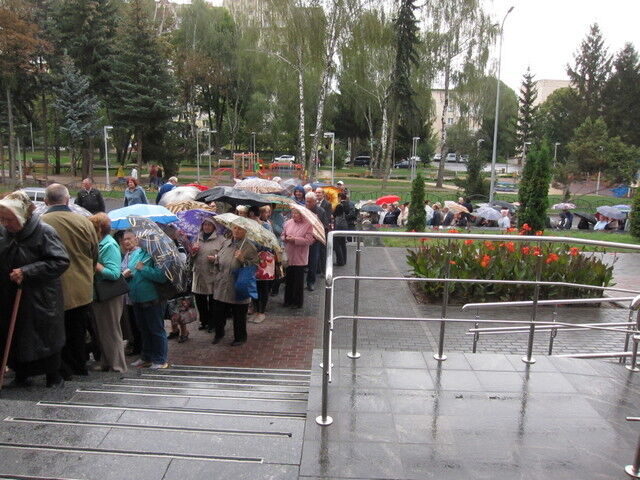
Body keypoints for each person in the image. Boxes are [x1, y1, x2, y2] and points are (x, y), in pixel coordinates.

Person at [0, 191, 69, 388]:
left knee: (44, 336)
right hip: (10, 295)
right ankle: (21, 375)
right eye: (2, 218)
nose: (5, 223)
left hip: (40, 298)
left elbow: (60, 261)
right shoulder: (4, 232)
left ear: (22, 216)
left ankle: (53, 377)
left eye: (9, 219)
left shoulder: (44, 231)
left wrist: (28, 271)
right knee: (16, 337)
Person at [41, 184, 99, 380]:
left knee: (56, 331)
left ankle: (61, 369)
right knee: (78, 330)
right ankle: (79, 365)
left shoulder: (41, 222)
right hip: (82, 286)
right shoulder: (84, 222)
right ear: (67, 200)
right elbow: (94, 253)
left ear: (46, 201)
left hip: (53, 288)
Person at [88, 213, 127, 373]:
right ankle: (107, 362)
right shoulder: (101, 243)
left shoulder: (109, 245)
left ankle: (118, 366)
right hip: (101, 294)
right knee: (103, 330)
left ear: (99, 229)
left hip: (109, 294)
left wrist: (95, 265)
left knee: (111, 330)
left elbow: (114, 273)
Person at [124, 234, 169, 369]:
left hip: (152, 299)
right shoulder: (137, 253)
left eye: (142, 238)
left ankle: (160, 359)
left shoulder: (158, 255)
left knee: (156, 329)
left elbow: (162, 277)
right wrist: (128, 275)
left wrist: (144, 268)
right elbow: (133, 270)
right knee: (143, 330)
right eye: (139, 238)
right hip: (136, 299)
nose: (139, 240)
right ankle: (146, 357)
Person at [211, 224, 259, 346]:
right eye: (235, 228)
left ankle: (240, 337)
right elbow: (220, 259)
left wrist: (242, 259)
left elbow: (255, 268)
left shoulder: (249, 247)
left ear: (245, 231)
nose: (236, 231)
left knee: (239, 314)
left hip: (239, 284)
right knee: (219, 312)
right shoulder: (226, 243)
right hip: (222, 283)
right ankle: (219, 334)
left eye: (240, 229)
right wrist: (216, 261)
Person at [191, 217, 224, 333]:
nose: (207, 227)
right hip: (199, 274)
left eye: (209, 225)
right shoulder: (196, 238)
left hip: (212, 274)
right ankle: (203, 321)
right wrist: (192, 252)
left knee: (212, 300)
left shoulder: (220, 240)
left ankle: (212, 322)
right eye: (205, 224)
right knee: (200, 300)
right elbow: (190, 257)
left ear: (214, 227)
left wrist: (215, 258)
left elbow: (224, 257)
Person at [282, 208, 314, 309]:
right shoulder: (287, 223)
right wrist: (285, 238)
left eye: (296, 213)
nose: (294, 215)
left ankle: (297, 302)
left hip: (300, 256)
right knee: (289, 279)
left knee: (298, 281)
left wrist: (295, 239)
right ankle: (288, 300)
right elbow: (282, 235)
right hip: (289, 254)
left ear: (302, 214)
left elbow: (309, 241)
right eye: (293, 213)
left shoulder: (308, 225)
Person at [249, 206, 276, 324]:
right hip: (252, 260)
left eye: (253, 216)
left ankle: (262, 312)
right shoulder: (248, 227)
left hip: (264, 260)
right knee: (253, 285)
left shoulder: (265, 226)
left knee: (263, 286)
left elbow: (269, 243)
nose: (252, 219)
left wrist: (256, 246)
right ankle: (256, 310)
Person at [119, 231, 142, 356]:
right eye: (124, 239)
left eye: (129, 239)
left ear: (136, 239)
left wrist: (128, 273)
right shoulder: (127, 254)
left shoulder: (138, 253)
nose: (126, 241)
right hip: (128, 294)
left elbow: (137, 269)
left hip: (136, 292)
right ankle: (136, 345)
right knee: (132, 321)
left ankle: (140, 347)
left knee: (138, 322)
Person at [304, 192, 329, 291]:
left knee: (313, 262)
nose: (308, 203)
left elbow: (325, 226)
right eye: (306, 201)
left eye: (310, 202)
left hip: (315, 240)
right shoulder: (303, 210)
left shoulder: (321, 211)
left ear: (315, 202)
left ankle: (311, 282)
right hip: (304, 239)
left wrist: (317, 236)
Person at [332, 201, 348, 266]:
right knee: (343, 245)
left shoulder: (337, 216)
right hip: (344, 229)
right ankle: (344, 260)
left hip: (338, 230)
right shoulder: (343, 214)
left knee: (337, 245)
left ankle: (340, 261)